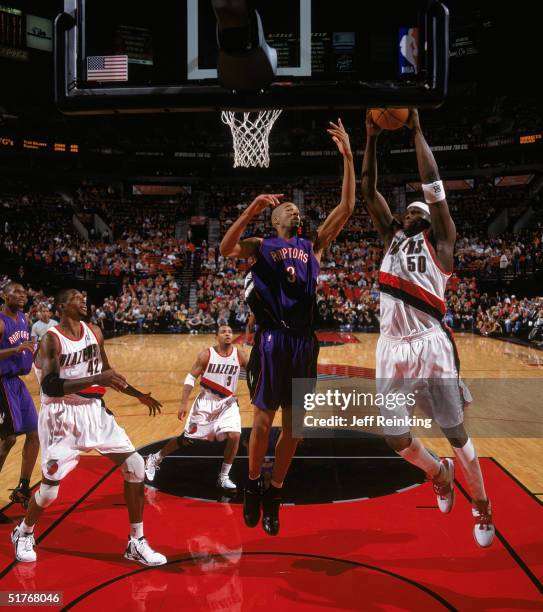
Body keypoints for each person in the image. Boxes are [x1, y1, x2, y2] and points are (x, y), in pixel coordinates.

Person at [360, 109, 494, 547]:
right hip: (392, 347)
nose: (410, 213)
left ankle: (482, 505)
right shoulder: (391, 237)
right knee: (395, 436)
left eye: (418, 210)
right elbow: (368, 191)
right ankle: (439, 472)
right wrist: (372, 138)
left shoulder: (442, 241)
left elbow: (434, 187)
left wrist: (417, 130)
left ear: (430, 218)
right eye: (409, 211)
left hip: (431, 345)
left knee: (455, 433)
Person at [220, 119, 355, 535]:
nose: (295, 208)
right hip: (272, 340)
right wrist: (251, 210)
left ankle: (275, 490)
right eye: (287, 207)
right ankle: (253, 484)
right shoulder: (263, 245)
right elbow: (225, 248)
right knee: (262, 422)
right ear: (275, 218)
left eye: (296, 207)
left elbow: (347, 208)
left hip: (303, 342)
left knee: (295, 429)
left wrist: (349, 156)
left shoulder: (312, 245)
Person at [11, 288, 167, 565]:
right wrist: (97, 376)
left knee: (135, 466)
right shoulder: (51, 339)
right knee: (49, 491)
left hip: (94, 412)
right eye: (75, 298)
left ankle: (136, 541)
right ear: (61, 306)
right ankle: (24, 532)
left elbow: (108, 376)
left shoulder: (94, 331)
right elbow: (50, 386)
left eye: (83, 298)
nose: (83, 301)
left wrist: (138, 394)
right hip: (61, 416)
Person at [145, 325, 248, 490]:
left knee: (235, 436)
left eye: (230, 331)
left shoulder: (240, 355)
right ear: (216, 337)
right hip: (206, 402)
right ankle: (155, 457)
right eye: (223, 332)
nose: (228, 334)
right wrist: (183, 403)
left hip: (228, 402)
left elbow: (254, 373)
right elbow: (190, 378)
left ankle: (223, 476)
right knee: (187, 440)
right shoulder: (207, 355)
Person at [0, 283, 39, 522]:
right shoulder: (2, 321)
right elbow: (18, 348)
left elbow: (26, 349)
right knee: (9, 439)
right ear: (4, 295)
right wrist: (16, 349)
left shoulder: (24, 318)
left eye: (25, 292)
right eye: (16, 292)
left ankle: (23, 488)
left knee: (34, 435)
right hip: (2, 383)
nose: (22, 295)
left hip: (18, 383)